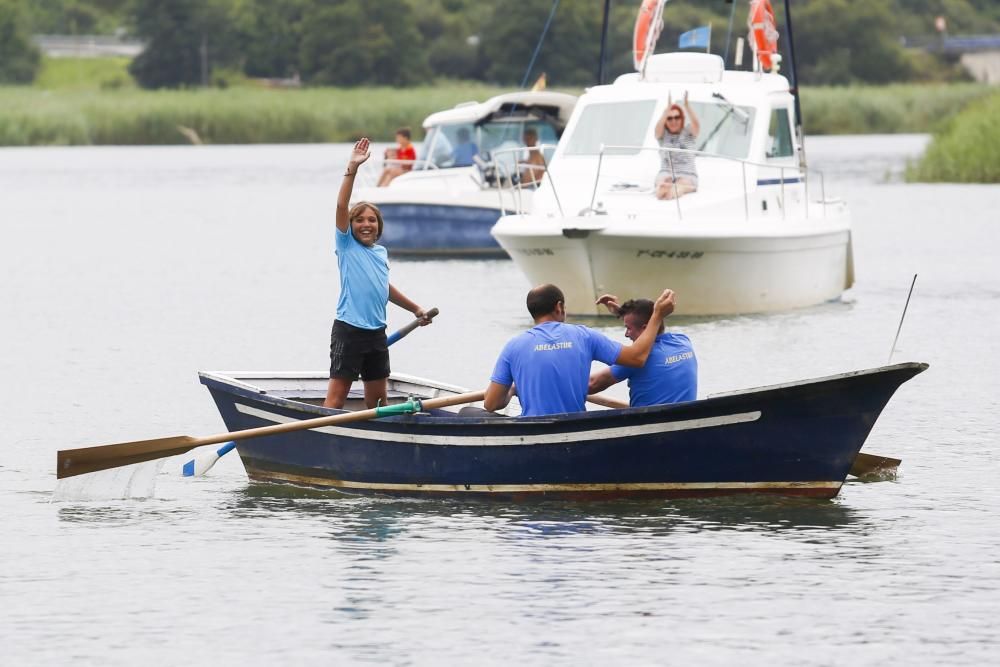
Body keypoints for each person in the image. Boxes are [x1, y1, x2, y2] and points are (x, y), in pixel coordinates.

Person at [325, 137, 431, 409]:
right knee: (337, 398)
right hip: (349, 330)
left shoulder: (380, 253)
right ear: (351, 225)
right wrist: (353, 168)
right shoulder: (346, 245)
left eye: (371, 220)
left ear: (379, 226)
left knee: (379, 401)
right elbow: (340, 206)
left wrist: (415, 308)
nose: (366, 224)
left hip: (376, 334)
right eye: (359, 220)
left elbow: (384, 287)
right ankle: (322, 436)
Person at [484, 284, 675, 417]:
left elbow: (491, 404)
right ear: (559, 307)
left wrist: (512, 390)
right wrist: (657, 315)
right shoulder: (584, 336)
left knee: (470, 413)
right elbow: (637, 357)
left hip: (532, 430)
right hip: (574, 426)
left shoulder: (513, 346)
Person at [587, 294, 697, 407]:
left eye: (628, 328)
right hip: (683, 416)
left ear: (645, 328)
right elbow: (652, 323)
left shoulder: (638, 360)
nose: (626, 334)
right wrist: (624, 314)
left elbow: (591, 385)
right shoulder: (683, 342)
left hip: (651, 422)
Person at [654, 91, 700, 200]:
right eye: (669, 118)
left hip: (687, 175)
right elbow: (656, 132)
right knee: (661, 189)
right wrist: (667, 109)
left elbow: (697, 125)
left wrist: (687, 106)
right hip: (666, 173)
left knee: (677, 189)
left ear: (681, 118)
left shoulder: (688, 133)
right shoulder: (663, 135)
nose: (673, 121)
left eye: (677, 117)